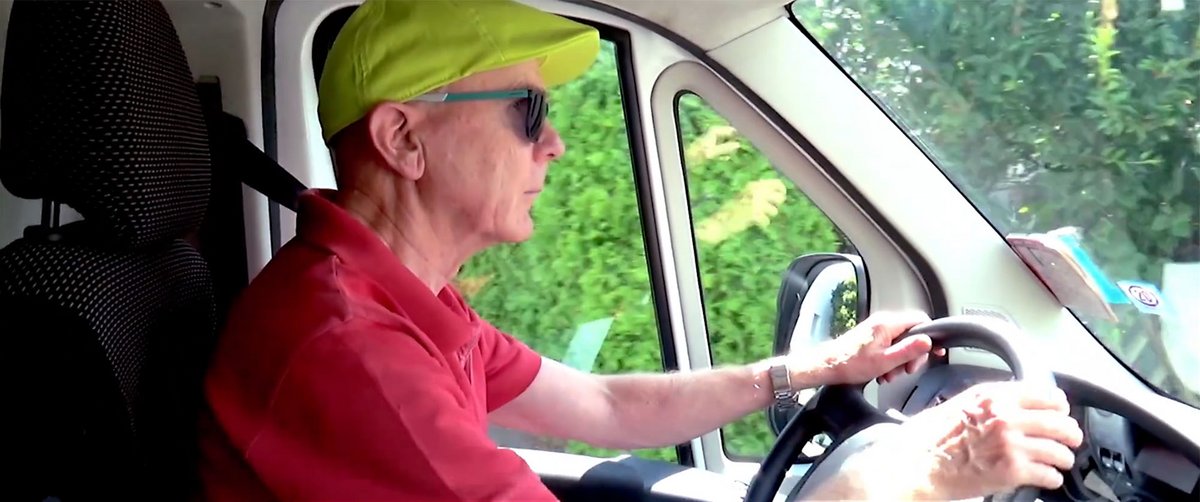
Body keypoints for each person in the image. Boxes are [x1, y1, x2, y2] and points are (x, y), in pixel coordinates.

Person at [197, 0, 1083, 500]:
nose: (555, 147)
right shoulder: (348, 351)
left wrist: (811, 370)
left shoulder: (399, 297)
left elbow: (605, 403)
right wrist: (929, 471)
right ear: (403, 138)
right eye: (528, 112)